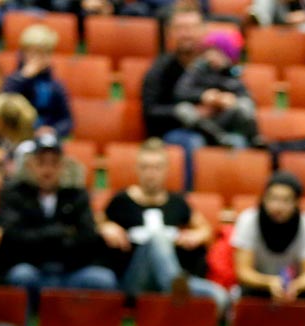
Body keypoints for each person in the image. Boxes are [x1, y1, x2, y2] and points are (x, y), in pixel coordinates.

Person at [99, 138, 228, 309]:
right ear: (137, 169)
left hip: (175, 277)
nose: (151, 173)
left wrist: (197, 234)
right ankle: (178, 293)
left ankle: (177, 291)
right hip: (135, 282)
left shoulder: (177, 202)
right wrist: (105, 226)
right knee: (157, 239)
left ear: (166, 170)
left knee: (219, 296)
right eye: (145, 167)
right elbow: (93, 220)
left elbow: (204, 228)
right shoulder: (121, 200)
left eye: (156, 167)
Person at [0, 133, 119, 299]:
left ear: (62, 166)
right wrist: (59, 232)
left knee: (103, 280)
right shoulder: (15, 193)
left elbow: (87, 236)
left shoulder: (77, 194)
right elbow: (12, 235)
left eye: (54, 163)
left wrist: (38, 236)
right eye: (42, 163)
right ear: (31, 165)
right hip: (33, 270)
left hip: (70, 271)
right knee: (20, 276)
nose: (47, 170)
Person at [230, 171, 305, 326]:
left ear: (296, 203)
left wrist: (295, 286)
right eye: (272, 198)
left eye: (285, 200)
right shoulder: (248, 221)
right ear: (264, 198)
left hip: (293, 287)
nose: (277, 206)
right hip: (257, 284)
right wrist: (269, 282)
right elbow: (243, 272)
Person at [141, 5, 208, 180]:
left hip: (213, 129)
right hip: (173, 134)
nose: (187, 34)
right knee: (191, 142)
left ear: (203, 31)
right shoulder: (159, 70)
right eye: (181, 28)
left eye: (192, 28)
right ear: (170, 32)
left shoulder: (213, 66)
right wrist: (181, 112)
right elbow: (150, 111)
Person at [172, 27, 257, 150]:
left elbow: (245, 96)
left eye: (217, 52)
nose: (211, 56)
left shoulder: (232, 72)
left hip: (225, 118)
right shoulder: (198, 68)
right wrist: (203, 96)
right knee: (183, 110)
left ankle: (254, 139)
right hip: (201, 120)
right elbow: (180, 92)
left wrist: (229, 99)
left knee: (245, 105)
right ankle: (217, 136)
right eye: (209, 51)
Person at [5, 23, 74, 138]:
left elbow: (67, 120)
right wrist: (24, 76)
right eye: (32, 52)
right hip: (16, 137)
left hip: (44, 142)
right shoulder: (14, 80)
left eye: (44, 53)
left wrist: (53, 131)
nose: (38, 58)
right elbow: (5, 103)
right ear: (22, 53)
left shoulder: (56, 86)